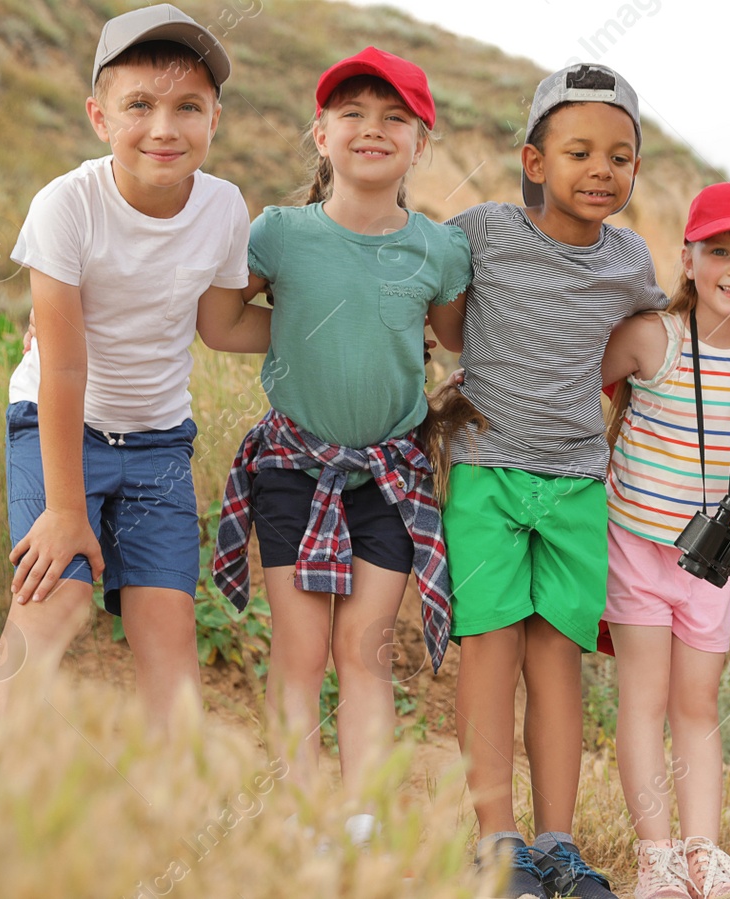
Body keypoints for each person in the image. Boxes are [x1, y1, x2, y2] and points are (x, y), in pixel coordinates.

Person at [208, 46, 470, 849]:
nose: (372, 129)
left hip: (389, 473)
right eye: (352, 113)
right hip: (293, 465)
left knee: (363, 646)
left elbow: (455, 341)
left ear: (420, 143)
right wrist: (295, 333)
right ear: (319, 135)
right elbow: (219, 324)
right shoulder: (279, 234)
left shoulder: (439, 249)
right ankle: (300, 814)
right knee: (300, 645)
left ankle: (360, 821)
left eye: (396, 118)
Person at [0, 5, 269, 731]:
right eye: (139, 105)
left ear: (216, 119)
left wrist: (347, 329)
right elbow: (62, 368)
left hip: (158, 443)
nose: (164, 128)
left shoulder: (224, 208)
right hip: (59, 423)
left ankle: (165, 825)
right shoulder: (66, 206)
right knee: (54, 603)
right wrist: (64, 511)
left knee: (168, 631)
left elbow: (223, 324)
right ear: (99, 116)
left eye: (188, 107)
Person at [437, 62, 667, 899]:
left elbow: (653, 328)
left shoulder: (630, 258)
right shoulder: (485, 232)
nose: (601, 170)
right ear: (535, 162)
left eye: (619, 156)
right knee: (490, 651)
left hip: (576, 481)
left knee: (557, 660)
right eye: (579, 152)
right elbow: (445, 314)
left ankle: (558, 843)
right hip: (488, 473)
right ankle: (497, 839)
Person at [599, 181, 730, 899]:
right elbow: (584, 389)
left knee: (698, 705)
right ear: (687, 258)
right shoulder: (654, 335)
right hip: (638, 547)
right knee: (644, 699)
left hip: (711, 563)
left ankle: (705, 855)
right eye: (719, 252)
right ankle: (658, 859)